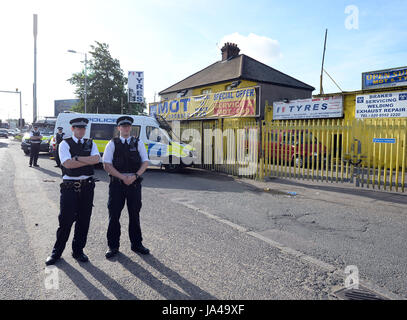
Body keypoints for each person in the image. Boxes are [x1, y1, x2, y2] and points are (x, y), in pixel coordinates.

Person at [45, 118, 100, 265]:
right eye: (78, 128)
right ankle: (56, 252)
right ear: (72, 129)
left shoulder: (90, 142)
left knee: (84, 221)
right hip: (70, 187)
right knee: (65, 221)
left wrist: (77, 158)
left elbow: (96, 159)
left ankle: (78, 251)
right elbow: (67, 164)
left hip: (87, 187)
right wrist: (86, 160)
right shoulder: (65, 143)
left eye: (83, 128)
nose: (81, 131)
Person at [103, 116, 150, 258]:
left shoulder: (138, 142)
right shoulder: (112, 143)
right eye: (123, 126)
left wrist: (135, 176)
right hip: (117, 184)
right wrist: (123, 177)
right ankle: (113, 246)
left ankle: (137, 244)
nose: (126, 128)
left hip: (134, 184)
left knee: (134, 215)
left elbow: (145, 162)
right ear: (118, 128)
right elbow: (106, 165)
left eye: (128, 126)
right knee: (114, 216)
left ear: (131, 128)